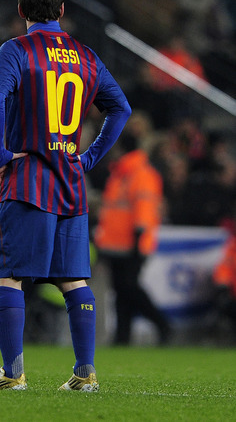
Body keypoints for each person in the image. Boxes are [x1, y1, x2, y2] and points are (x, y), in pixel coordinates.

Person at [0, 0, 131, 392]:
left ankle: (12, 373)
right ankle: (85, 373)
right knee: (74, 280)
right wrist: (89, 157)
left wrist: (0, 155)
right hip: (70, 182)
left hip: (28, 179)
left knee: (6, 276)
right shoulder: (86, 55)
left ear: (21, 10)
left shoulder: (16, 50)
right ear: (62, 10)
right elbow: (121, 109)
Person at [93, 126, 170, 345]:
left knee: (129, 288)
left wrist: (138, 237)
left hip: (131, 242)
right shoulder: (122, 173)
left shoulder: (139, 174)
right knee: (122, 291)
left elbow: (143, 209)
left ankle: (161, 322)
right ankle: (122, 337)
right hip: (117, 244)